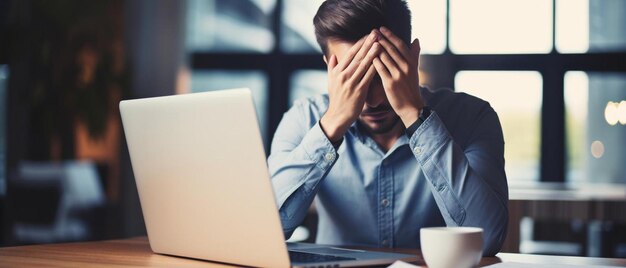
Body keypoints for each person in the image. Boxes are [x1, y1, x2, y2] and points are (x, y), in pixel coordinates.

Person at [268, 0, 508, 256]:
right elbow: (266, 229)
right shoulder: (303, 119)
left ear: (412, 57)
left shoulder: (472, 117)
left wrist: (415, 116)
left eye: (384, 72)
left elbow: (487, 240)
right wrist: (333, 124)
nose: (373, 101)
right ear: (330, 66)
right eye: (355, 76)